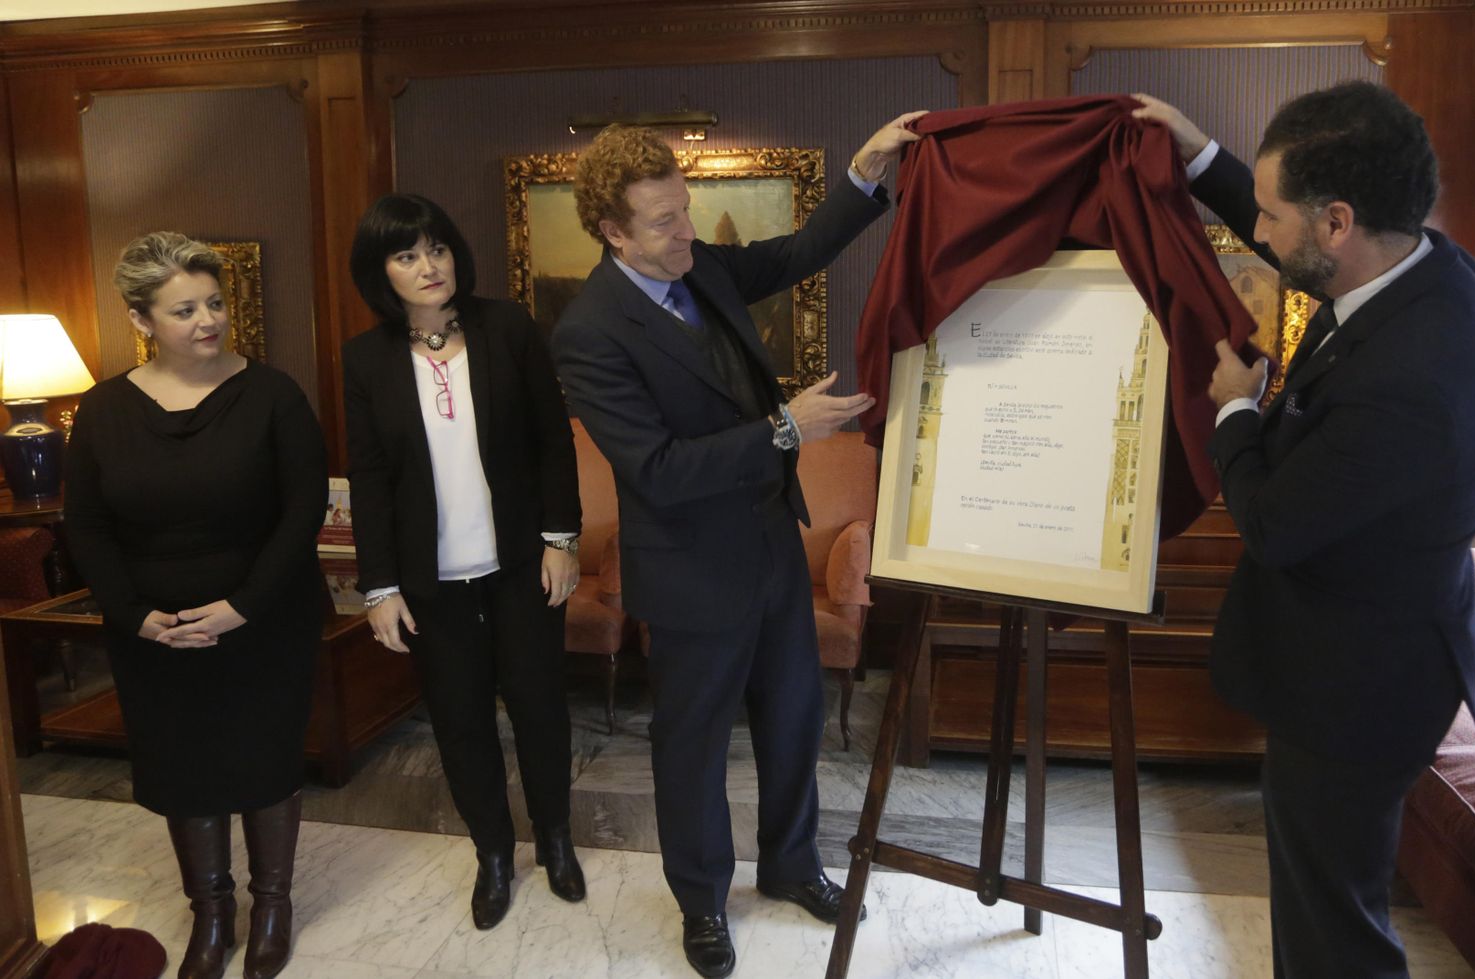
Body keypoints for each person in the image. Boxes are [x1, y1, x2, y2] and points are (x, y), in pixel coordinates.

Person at [1132, 84, 1475, 977]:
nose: (1255, 234)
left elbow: (1272, 524)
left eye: (1268, 213)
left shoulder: (1413, 379)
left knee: (1333, 930)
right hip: (1364, 651)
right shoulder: (1425, 266)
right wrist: (1199, 156)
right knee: (1321, 901)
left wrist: (1235, 414)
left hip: (1361, 688)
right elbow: (1295, 238)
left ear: (1338, 221)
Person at [552, 115, 922, 979]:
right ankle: (704, 903)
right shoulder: (590, 332)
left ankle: (792, 865)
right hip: (687, 571)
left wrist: (865, 175)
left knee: (794, 721)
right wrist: (787, 427)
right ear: (611, 230)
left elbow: (794, 253)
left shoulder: (703, 265)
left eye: (685, 209)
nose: (686, 232)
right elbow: (657, 469)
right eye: (663, 221)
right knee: (693, 747)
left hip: (769, 548)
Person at [65, 231, 328, 979]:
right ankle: (211, 912)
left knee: (266, 758)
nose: (209, 319)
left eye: (215, 302)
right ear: (142, 319)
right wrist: (134, 614)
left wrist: (242, 606)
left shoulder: (273, 394)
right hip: (155, 629)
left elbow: (301, 508)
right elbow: (86, 524)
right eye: (185, 309)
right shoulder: (105, 409)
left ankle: (272, 904)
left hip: (264, 617)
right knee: (183, 766)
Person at [343, 193, 585, 931]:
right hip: (432, 580)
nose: (429, 266)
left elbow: (553, 437)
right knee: (460, 719)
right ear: (381, 271)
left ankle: (555, 837)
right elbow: (371, 476)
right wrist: (379, 586)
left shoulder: (506, 325)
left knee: (542, 710)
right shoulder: (366, 358)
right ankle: (493, 854)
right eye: (408, 254)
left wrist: (561, 539)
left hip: (519, 564)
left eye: (438, 248)